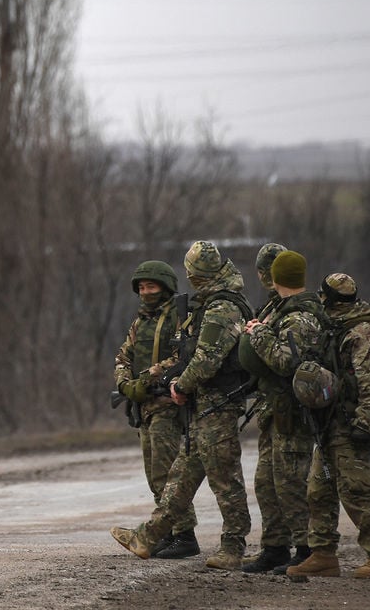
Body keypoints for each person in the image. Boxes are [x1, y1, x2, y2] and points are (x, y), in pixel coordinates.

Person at [111, 240, 253, 570]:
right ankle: (148, 536)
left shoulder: (220, 307)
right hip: (202, 405)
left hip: (218, 403)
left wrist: (178, 383)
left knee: (225, 479)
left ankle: (233, 546)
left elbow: (206, 358)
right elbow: (127, 355)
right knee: (179, 477)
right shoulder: (208, 304)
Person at [287, 273, 370, 578]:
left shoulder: (363, 332)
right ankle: (323, 554)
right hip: (330, 425)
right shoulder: (334, 328)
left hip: (352, 426)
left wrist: (364, 425)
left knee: (356, 491)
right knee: (319, 490)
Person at [240, 249, 323, 574]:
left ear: (276, 278)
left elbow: (286, 361)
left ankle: (306, 550)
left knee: (291, 482)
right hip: (274, 408)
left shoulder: (299, 316)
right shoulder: (279, 309)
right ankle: (274, 547)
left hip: (293, 412)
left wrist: (257, 333)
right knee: (266, 482)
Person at [113, 260, 199, 558]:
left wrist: (148, 380)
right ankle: (170, 532)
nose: (146, 292)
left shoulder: (179, 317)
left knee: (166, 471)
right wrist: (127, 385)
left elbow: (181, 355)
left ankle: (185, 535)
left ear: (165, 287)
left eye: (151, 287)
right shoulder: (141, 322)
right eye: (142, 288)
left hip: (166, 403)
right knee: (154, 474)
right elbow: (123, 356)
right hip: (144, 406)